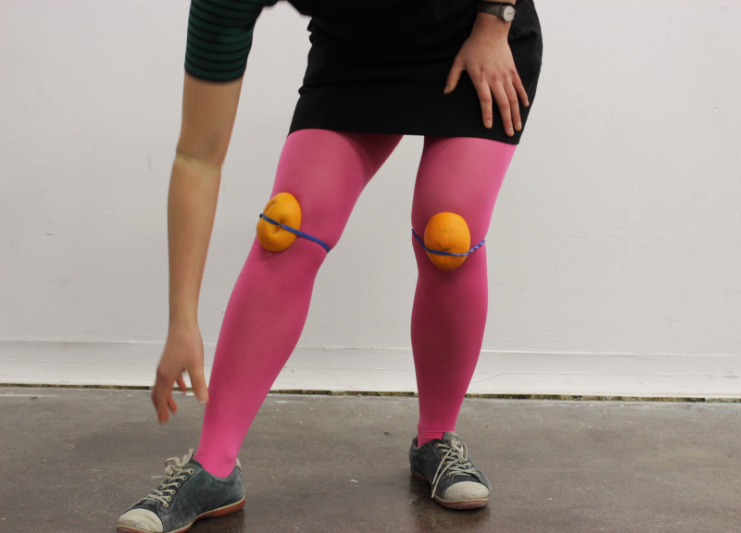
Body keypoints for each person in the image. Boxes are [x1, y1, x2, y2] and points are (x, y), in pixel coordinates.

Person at [116, 0, 543, 531]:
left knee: (448, 233)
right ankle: (213, 466)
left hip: (476, 33)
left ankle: (436, 439)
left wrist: (494, 22)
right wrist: (181, 319)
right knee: (286, 227)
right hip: (358, 50)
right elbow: (198, 156)